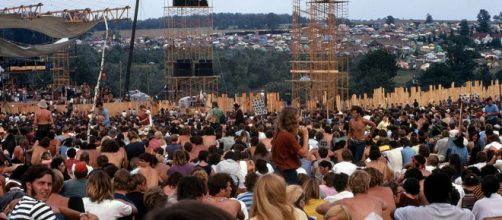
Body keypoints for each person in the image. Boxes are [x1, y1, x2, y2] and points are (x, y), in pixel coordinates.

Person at [393, 171, 475, 220]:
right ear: (449, 194)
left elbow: (393, 213)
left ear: (426, 193)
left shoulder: (412, 212)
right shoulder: (467, 215)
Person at [317, 170, 386, 220]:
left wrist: (330, 203)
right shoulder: (378, 201)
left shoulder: (344, 202)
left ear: (349, 185)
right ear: (367, 185)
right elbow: (385, 206)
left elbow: (319, 209)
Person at [271, 107, 309, 184]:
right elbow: (305, 153)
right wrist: (306, 134)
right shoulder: (287, 136)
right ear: (291, 120)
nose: (300, 119)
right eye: (298, 117)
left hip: (281, 169)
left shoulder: (279, 133)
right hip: (288, 171)